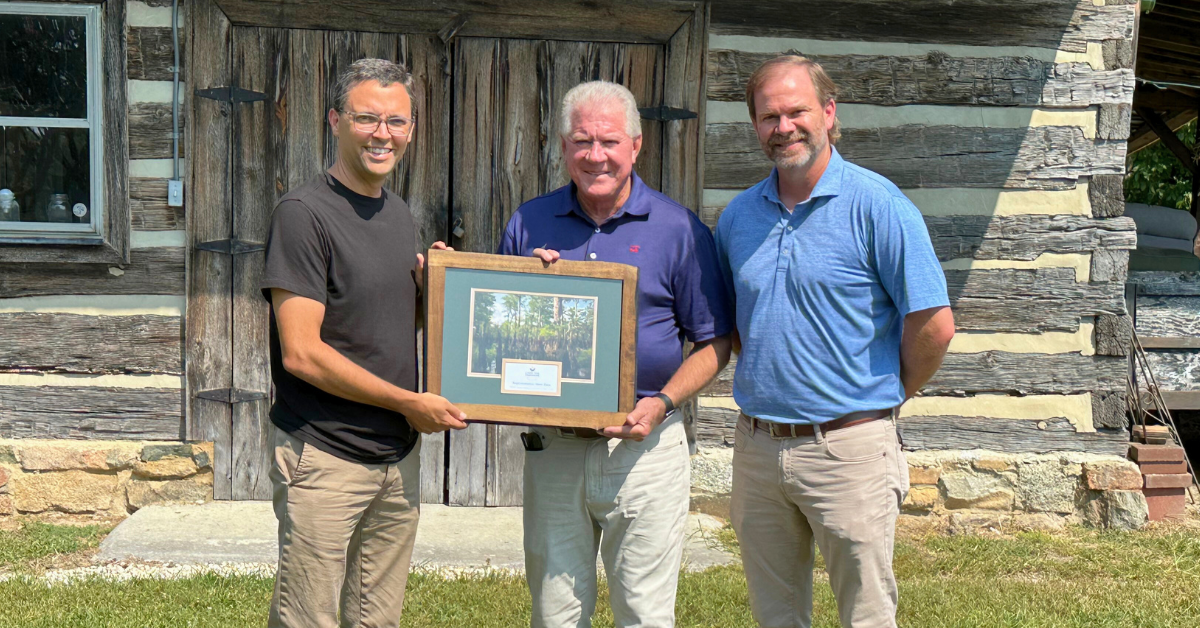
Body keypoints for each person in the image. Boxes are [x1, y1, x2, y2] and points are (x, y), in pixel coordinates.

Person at [714, 56, 956, 628]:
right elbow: (732, 321)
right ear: (755, 125)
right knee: (776, 616)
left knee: (866, 615)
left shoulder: (879, 206)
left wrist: (887, 396)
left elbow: (935, 323)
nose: (784, 127)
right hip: (757, 445)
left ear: (828, 111)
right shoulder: (738, 217)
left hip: (849, 448)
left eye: (797, 111)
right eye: (769, 116)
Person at [498, 80, 733, 628]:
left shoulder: (679, 230)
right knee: (554, 613)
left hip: (645, 447)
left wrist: (664, 403)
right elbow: (496, 334)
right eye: (582, 141)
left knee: (644, 613)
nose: (595, 155)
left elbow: (716, 341)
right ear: (562, 147)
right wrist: (529, 290)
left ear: (635, 145)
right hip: (553, 447)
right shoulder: (528, 223)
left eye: (608, 141)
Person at [260, 58, 466, 628]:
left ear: (411, 129)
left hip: (394, 457)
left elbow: (385, 326)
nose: (383, 134)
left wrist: (435, 293)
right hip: (326, 454)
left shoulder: (397, 213)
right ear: (334, 120)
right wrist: (407, 402)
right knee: (309, 618)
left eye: (396, 121)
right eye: (368, 118)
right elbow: (302, 353)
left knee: (377, 618)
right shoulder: (303, 215)